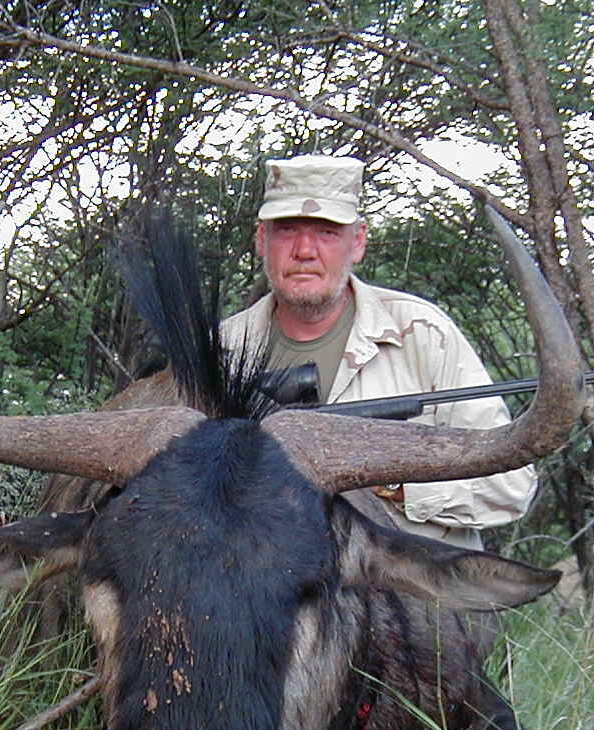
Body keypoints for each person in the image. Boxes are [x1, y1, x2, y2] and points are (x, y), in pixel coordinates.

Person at [222, 154, 537, 548]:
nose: (304, 250)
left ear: (357, 243)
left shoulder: (422, 333)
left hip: (413, 600)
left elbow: (509, 485)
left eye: (327, 232)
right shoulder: (223, 351)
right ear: (261, 241)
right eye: (287, 230)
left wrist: (386, 479)